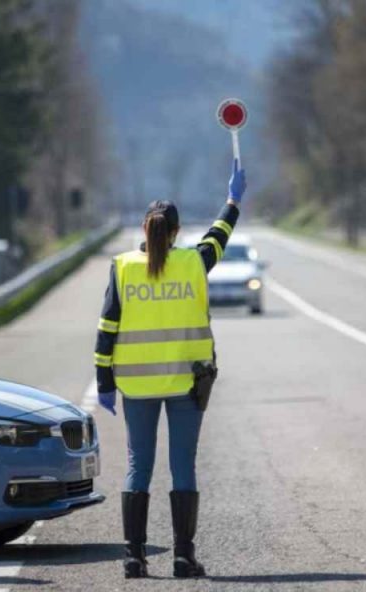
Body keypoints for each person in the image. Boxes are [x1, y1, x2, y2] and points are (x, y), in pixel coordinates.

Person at [94, 159, 246, 579]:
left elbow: (106, 329)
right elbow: (220, 234)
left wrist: (104, 382)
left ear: (145, 230)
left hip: (136, 387)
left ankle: (133, 558)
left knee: (137, 467)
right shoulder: (195, 262)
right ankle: (183, 557)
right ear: (176, 232)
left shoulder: (122, 267)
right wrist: (232, 200)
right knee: (183, 466)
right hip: (185, 383)